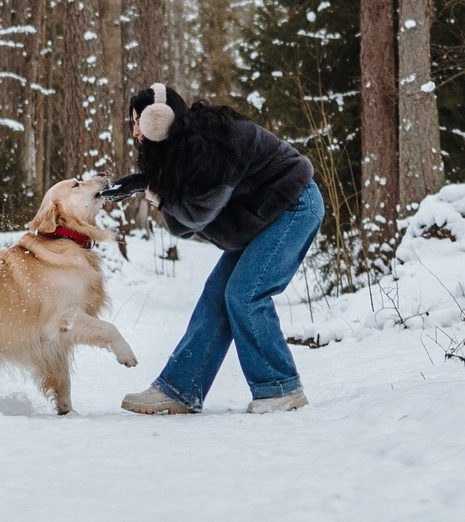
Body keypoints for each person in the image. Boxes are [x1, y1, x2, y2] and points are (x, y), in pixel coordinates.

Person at [107, 83, 323, 415]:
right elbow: (182, 225)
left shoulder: (216, 140)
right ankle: (180, 390)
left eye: (138, 121)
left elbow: (198, 212)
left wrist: (149, 188)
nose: (135, 131)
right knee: (216, 293)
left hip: (294, 205)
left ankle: (281, 388)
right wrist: (149, 184)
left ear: (159, 119)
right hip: (264, 217)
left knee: (244, 293)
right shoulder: (180, 152)